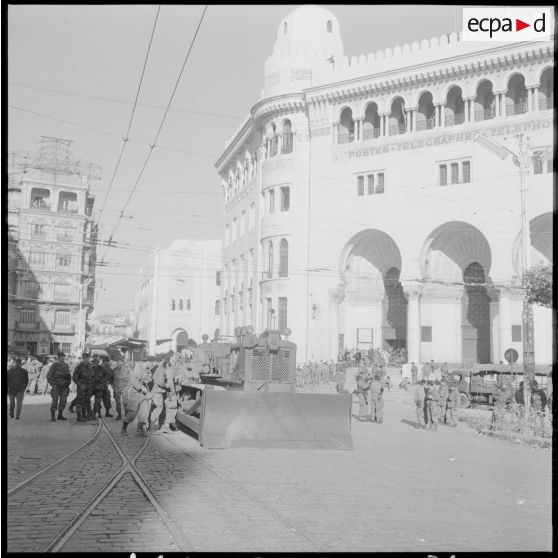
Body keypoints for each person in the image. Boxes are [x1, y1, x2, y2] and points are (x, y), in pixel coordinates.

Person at [121, 361, 154, 437]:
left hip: (144, 394)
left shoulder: (147, 369)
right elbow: (133, 380)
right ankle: (124, 429)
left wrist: (148, 379)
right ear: (147, 362)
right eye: (151, 363)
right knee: (132, 413)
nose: (152, 364)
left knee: (144, 411)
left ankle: (140, 430)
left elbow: (148, 380)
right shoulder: (138, 368)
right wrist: (141, 387)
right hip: (135, 393)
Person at [47, 352, 72, 421]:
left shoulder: (66, 365)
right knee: (55, 400)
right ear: (58, 358)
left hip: (64, 386)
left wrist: (68, 383)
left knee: (63, 400)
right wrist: (52, 384)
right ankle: (53, 415)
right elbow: (49, 375)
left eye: (63, 357)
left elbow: (68, 376)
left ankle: (60, 414)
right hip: (57, 386)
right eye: (61, 357)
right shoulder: (54, 365)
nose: (63, 358)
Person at [73, 353, 95, 422]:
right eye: (85, 358)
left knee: (87, 401)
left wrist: (91, 384)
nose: (87, 360)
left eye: (88, 358)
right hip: (81, 387)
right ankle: (79, 416)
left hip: (89, 387)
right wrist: (80, 384)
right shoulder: (79, 367)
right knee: (80, 401)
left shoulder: (90, 366)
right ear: (83, 359)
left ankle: (84, 415)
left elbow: (92, 376)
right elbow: (75, 378)